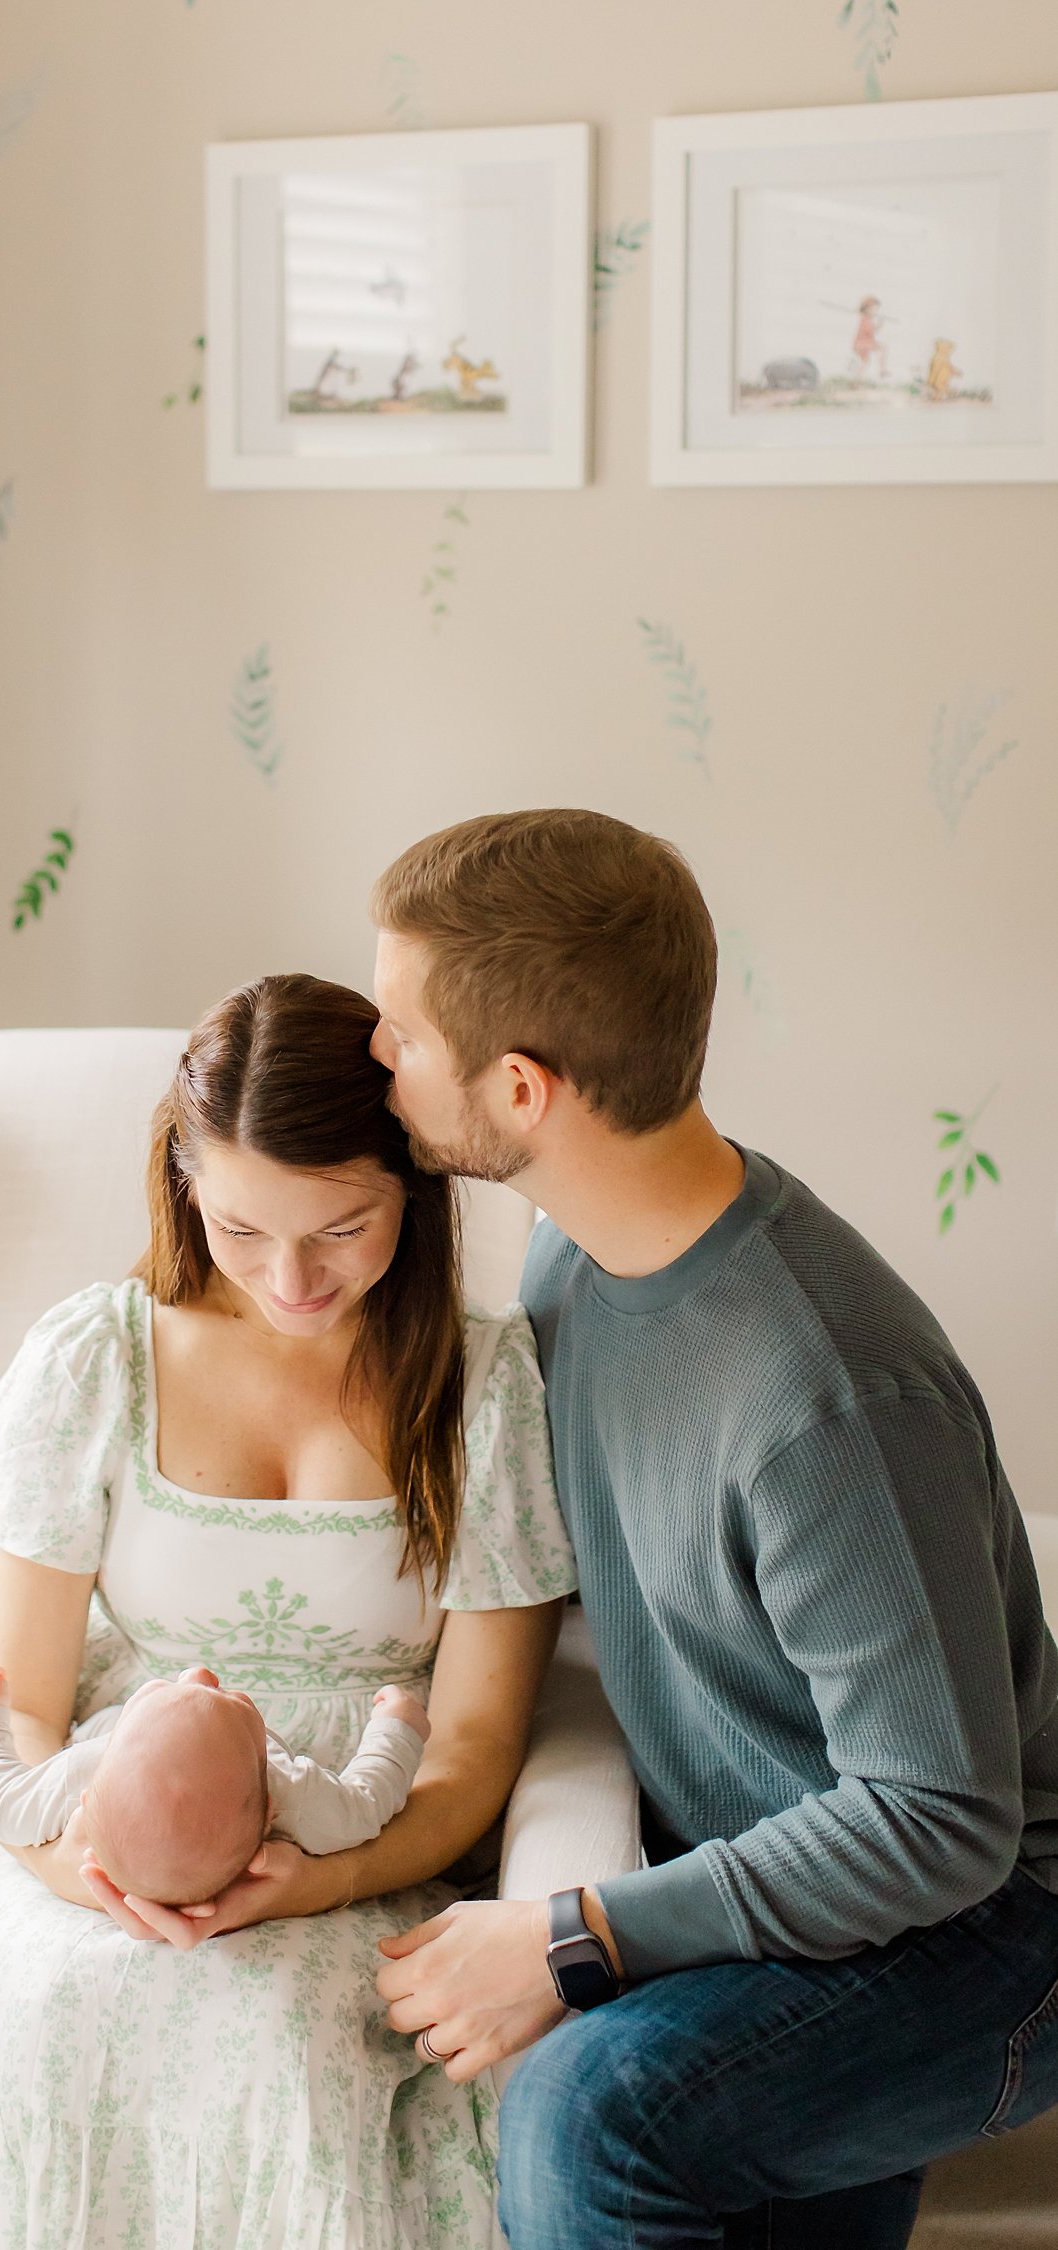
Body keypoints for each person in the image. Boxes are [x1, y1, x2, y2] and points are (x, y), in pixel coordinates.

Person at [367, 809, 1058, 2250]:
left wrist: (579, 1933)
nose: (379, 1057)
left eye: (400, 1033)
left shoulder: (827, 1394)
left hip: (986, 1932)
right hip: (797, 1888)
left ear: (520, 1086)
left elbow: (940, 1822)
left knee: (588, 2107)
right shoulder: (573, 1257)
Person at [0, 970, 576, 2250]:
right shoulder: (95, 1362)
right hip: (95, 1827)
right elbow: (17, 1707)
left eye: (340, 1228)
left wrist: (320, 1879)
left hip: (364, 1830)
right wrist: (104, 1882)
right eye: (242, 1230)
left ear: (413, 1188)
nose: (291, 1278)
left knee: (281, 2046)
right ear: (186, 1186)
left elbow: (472, 1751)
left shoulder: (485, 1389)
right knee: (67, 2018)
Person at [0, 1657, 432, 1887]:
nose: (199, 1672)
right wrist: (397, 1731)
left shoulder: (84, 1770)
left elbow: (0, 1800)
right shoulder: (288, 1788)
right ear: (269, 1813)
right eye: (237, 1703)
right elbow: (367, 1803)